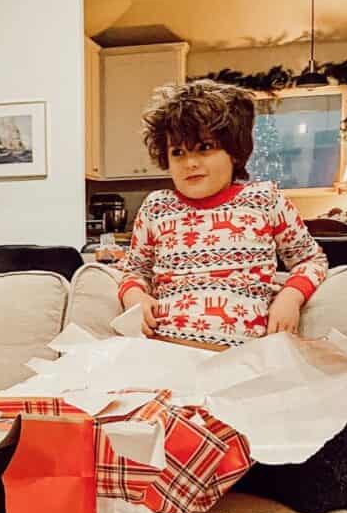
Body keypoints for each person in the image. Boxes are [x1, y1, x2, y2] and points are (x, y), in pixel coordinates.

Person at [118, 80, 327, 348]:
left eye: (205, 147)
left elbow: (311, 260)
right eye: (178, 152)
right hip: (164, 352)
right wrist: (134, 294)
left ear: (235, 153)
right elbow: (134, 271)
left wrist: (291, 296)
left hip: (243, 358)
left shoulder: (265, 199)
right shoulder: (155, 207)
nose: (190, 162)